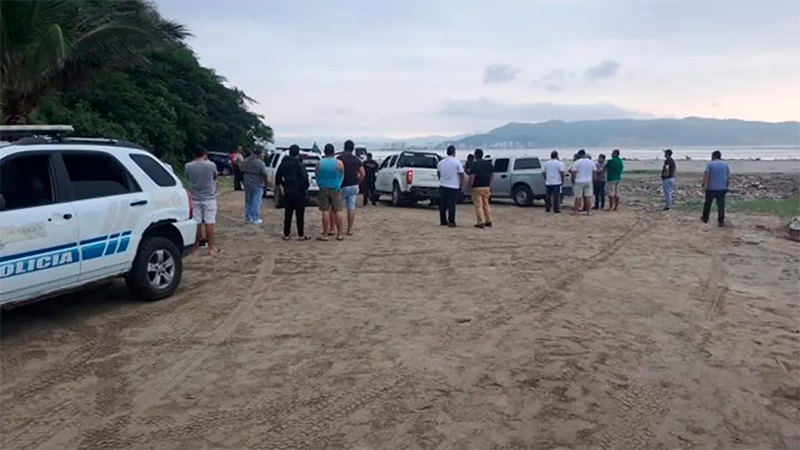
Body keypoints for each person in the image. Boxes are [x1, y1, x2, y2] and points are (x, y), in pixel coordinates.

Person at [185, 146, 220, 255]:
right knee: (210, 223)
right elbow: (215, 176)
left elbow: (188, 178)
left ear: (193, 154)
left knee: (197, 223)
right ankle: (211, 247)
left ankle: (196, 247)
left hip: (195, 197)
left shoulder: (188, 166)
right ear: (204, 154)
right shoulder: (211, 165)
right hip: (209, 197)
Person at [276, 144, 310, 240]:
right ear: (298, 153)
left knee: (288, 213)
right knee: (300, 214)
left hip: (288, 190)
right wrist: (305, 187)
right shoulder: (299, 164)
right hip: (299, 191)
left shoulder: (283, 163)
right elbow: (304, 177)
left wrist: (284, 184)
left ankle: (286, 234)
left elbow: (278, 177)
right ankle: (301, 234)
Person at [315, 143, 345, 240]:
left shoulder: (320, 163)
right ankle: (339, 234)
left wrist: (320, 184)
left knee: (325, 211)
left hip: (324, 187)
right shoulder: (339, 163)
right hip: (335, 187)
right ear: (333, 152)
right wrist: (338, 184)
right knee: (337, 211)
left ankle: (325, 234)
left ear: (325, 152)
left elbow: (317, 175)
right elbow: (342, 174)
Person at [338, 140, 365, 235]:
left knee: (337, 208)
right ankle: (349, 230)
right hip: (353, 185)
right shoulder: (356, 160)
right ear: (353, 149)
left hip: (342, 185)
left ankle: (338, 229)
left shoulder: (340, 158)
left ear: (344, 147)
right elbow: (363, 173)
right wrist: (358, 181)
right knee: (351, 207)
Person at [437, 145, 465, 227]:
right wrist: (461, 184)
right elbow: (461, 174)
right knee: (451, 205)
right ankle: (451, 221)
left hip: (443, 185)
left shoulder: (441, 162)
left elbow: (438, 173)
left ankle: (443, 220)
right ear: (454, 152)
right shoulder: (456, 162)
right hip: (453, 186)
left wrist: (441, 180)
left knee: (443, 204)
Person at [240, 147, 268, 224]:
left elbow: (241, 169)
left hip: (247, 183)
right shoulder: (260, 163)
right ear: (259, 154)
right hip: (257, 183)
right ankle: (255, 218)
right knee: (256, 201)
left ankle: (248, 217)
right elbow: (264, 174)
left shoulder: (246, 161)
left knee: (248, 201)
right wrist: (266, 184)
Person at [702, 150, 730, 227]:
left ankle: (705, 218)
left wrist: (704, 184)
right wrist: (727, 185)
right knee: (721, 205)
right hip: (722, 188)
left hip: (711, 187)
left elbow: (707, 175)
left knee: (708, 203)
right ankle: (721, 220)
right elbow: (728, 176)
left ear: (713, 156)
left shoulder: (710, 164)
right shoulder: (725, 165)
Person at [469, 149, 493, 228]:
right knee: (486, 204)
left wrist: (470, 186)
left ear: (475, 155)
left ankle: (480, 221)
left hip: (477, 186)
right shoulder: (488, 164)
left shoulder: (474, 165)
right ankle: (488, 220)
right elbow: (492, 175)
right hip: (486, 186)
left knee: (478, 205)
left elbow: (472, 177)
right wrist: (489, 183)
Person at [570, 150, 596, 215]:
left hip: (579, 181)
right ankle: (589, 211)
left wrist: (573, 180)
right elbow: (594, 172)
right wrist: (593, 180)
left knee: (578, 197)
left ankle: (576, 211)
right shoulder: (591, 162)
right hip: (588, 180)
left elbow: (574, 172)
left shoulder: (577, 162)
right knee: (588, 196)